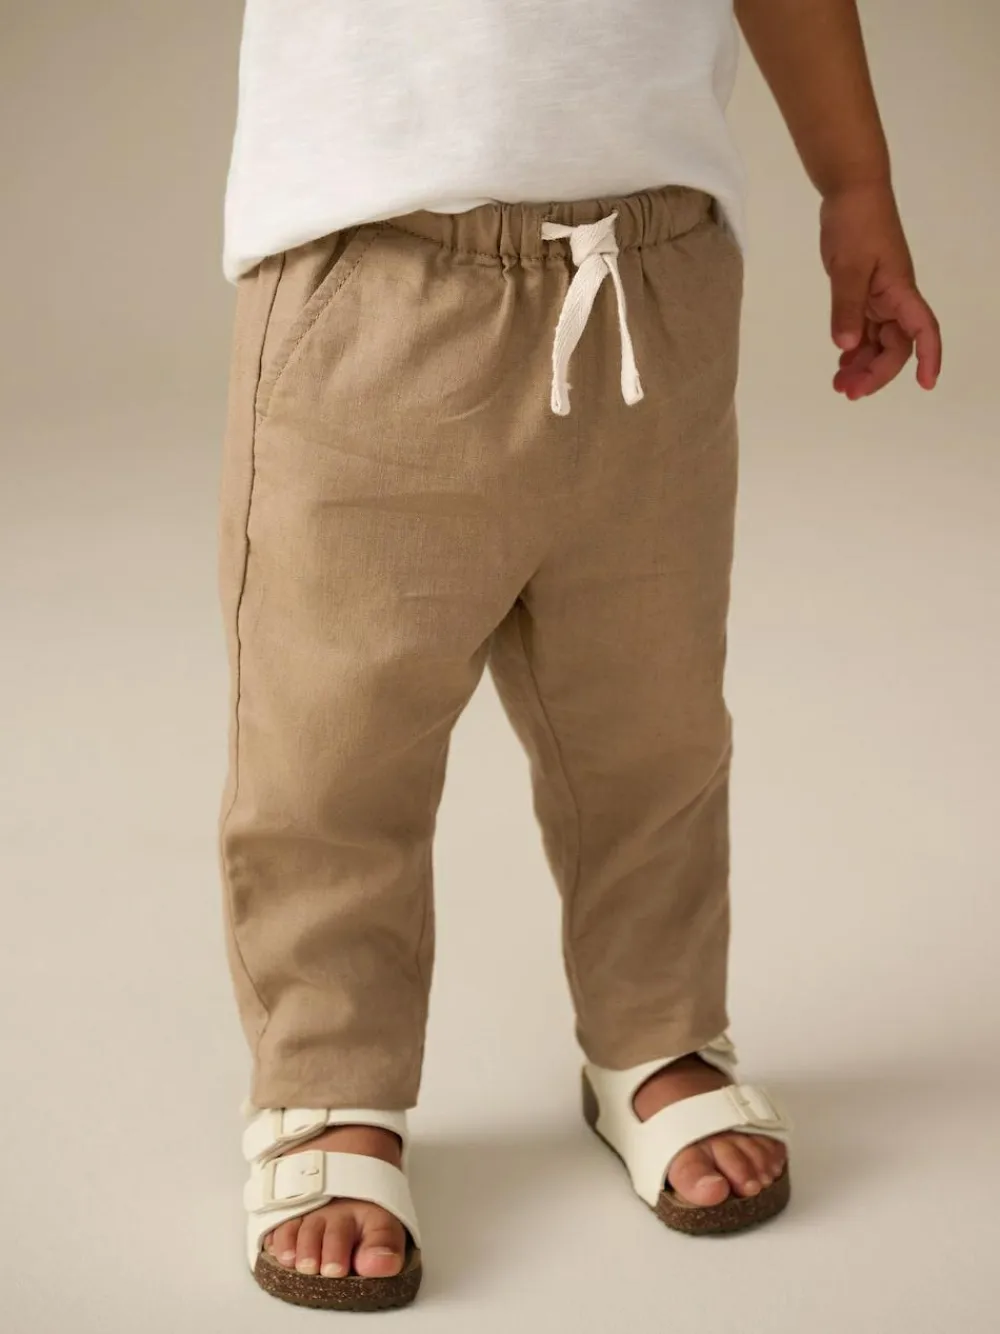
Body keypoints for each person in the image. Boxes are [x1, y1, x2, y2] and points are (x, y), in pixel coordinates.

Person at [219, 0, 941, 1312]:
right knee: (333, 741)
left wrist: (856, 183)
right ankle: (328, 1083)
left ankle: (654, 1032)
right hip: (375, 274)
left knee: (650, 724)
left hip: (651, 273)